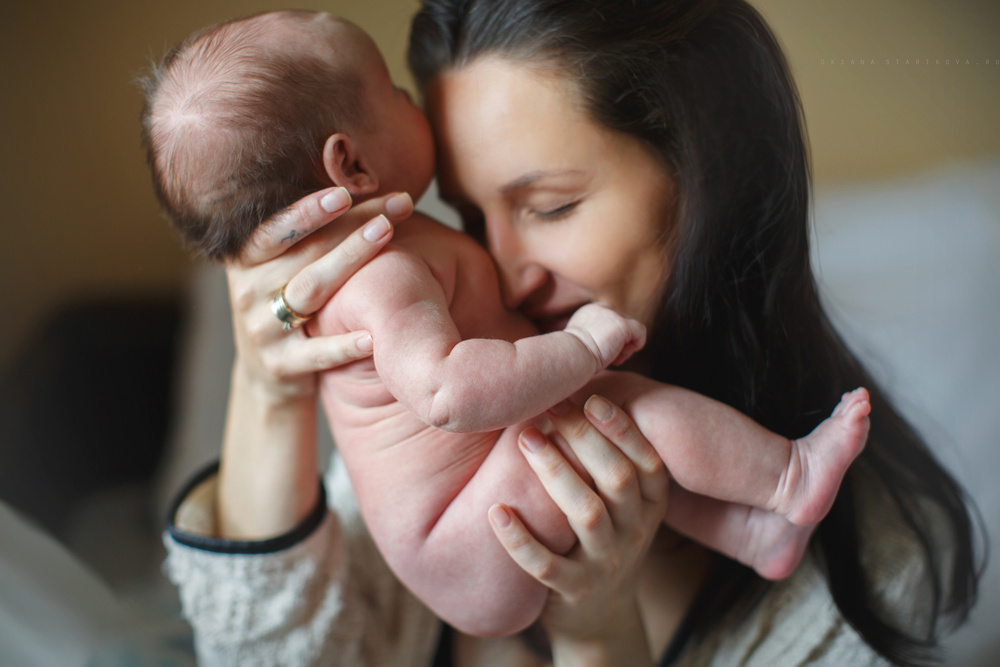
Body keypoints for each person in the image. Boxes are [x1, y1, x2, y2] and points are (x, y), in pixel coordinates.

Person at [155, 1, 983, 665]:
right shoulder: (408, 410)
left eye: (548, 205)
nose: (504, 271)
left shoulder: (871, 571)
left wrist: (599, 636)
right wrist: (269, 385)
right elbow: (260, 652)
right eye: (469, 214)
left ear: (703, 176)